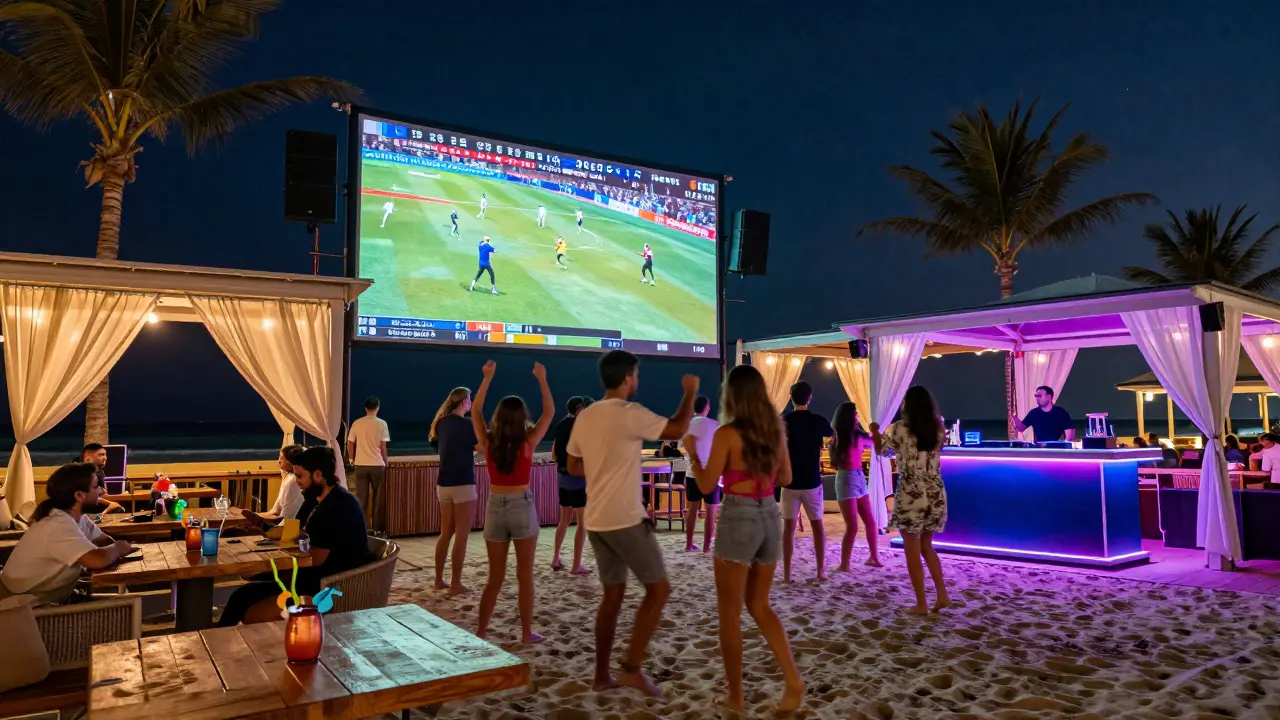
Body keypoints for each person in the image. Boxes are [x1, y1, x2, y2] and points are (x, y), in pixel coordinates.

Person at [566, 350, 698, 696]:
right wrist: (689, 391)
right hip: (625, 519)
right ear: (626, 378)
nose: (637, 381)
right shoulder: (630, 413)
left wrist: (605, 467)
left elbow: (573, 464)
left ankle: (601, 675)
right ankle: (631, 669)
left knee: (612, 596)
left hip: (596, 520)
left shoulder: (586, 416)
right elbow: (678, 429)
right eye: (636, 375)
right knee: (658, 589)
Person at [687, 366, 805, 713]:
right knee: (759, 604)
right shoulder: (775, 431)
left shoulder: (727, 434)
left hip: (739, 515)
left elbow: (707, 486)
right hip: (769, 512)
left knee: (729, 612)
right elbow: (786, 476)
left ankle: (736, 695)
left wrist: (693, 453)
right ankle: (793, 679)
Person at [219, 448, 369, 626]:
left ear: (318, 475)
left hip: (327, 587)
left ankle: (213, 641)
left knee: (243, 597)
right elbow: (298, 532)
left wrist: (277, 555)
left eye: (300, 476)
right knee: (242, 594)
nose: (297, 482)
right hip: (317, 577)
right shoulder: (323, 499)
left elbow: (315, 559)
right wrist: (266, 531)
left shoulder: (333, 508)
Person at [473, 360, 555, 645]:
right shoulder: (527, 442)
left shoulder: (488, 442)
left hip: (495, 504)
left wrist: (486, 379)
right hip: (522, 503)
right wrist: (542, 379)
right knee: (525, 576)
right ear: (521, 417)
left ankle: (481, 633)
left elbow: (474, 411)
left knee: (494, 579)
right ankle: (525, 633)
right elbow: (549, 413)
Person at [0, 463, 135, 605]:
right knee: (128, 607)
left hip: (41, 601)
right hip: (15, 608)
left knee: (127, 603)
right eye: (96, 486)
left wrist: (111, 549)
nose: (101, 491)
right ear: (79, 495)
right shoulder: (57, 523)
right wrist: (118, 548)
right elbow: (97, 559)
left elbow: (103, 541)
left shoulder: (77, 517)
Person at [870, 386, 950, 615]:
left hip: (911, 491)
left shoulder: (899, 429)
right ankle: (942, 594)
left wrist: (875, 431)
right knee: (927, 545)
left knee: (911, 549)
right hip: (935, 490)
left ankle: (922, 604)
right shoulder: (938, 428)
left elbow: (882, 451)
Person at [781, 381, 833, 583]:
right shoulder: (817, 420)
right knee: (818, 527)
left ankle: (787, 574)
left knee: (788, 530)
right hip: (812, 480)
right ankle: (821, 569)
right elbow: (833, 436)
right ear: (810, 398)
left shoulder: (784, 420)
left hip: (790, 481)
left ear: (790, 397)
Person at [430, 387, 478, 595]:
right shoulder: (467, 424)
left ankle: (439, 579)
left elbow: (445, 448)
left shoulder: (440, 423)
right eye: (469, 399)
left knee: (445, 533)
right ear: (462, 402)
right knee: (462, 534)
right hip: (463, 482)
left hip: (444, 482)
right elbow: (479, 446)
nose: (471, 403)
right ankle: (456, 583)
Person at [829, 402, 881, 571]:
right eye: (856, 413)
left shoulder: (858, 436)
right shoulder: (838, 438)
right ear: (849, 417)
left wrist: (875, 431)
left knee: (871, 522)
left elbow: (875, 443)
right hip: (845, 479)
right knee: (852, 526)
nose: (858, 416)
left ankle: (874, 556)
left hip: (858, 477)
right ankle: (845, 564)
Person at [551, 396, 591, 575]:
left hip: (562, 476)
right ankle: (576, 565)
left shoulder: (560, 425)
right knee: (582, 523)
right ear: (579, 408)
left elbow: (554, 454)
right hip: (577, 478)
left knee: (564, 520)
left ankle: (555, 558)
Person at [681, 395, 721, 553]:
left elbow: (683, 448)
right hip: (711, 473)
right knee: (711, 511)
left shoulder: (687, 425)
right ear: (707, 407)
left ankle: (689, 544)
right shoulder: (715, 425)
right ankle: (706, 547)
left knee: (692, 511)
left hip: (692, 473)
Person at [348, 396, 390, 534]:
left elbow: (350, 443)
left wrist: (352, 459)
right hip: (378, 465)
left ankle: (362, 529)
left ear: (365, 408)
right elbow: (383, 447)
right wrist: (385, 462)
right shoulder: (382, 424)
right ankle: (378, 529)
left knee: (361, 499)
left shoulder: (357, 423)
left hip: (360, 465)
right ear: (378, 407)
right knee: (378, 499)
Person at [244, 445, 307, 528]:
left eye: (281, 458)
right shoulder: (288, 477)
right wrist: (255, 516)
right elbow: (275, 511)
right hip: (281, 523)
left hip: (287, 527)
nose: (278, 461)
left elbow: (284, 518)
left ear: (290, 461)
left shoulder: (293, 483)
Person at [77, 443, 124, 514]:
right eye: (101, 455)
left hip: (100, 507)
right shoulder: (81, 473)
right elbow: (85, 498)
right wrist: (110, 503)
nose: (105, 458)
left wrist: (121, 497)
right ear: (88, 459)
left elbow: (105, 494)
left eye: (105, 455)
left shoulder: (101, 471)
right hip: (89, 512)